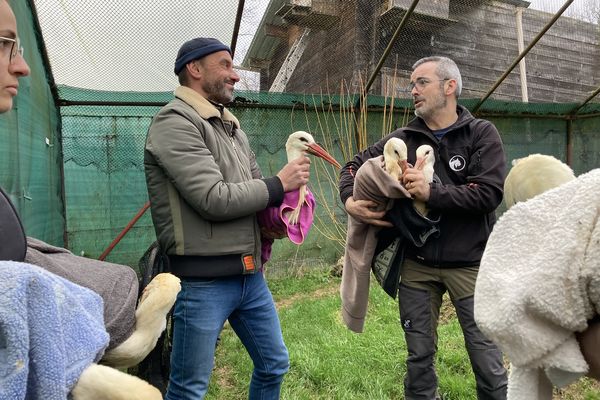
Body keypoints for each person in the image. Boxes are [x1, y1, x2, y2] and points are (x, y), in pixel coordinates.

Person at [144, 37, 310, 400]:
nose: (235, 75)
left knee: (274, 364)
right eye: (226, 65)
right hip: (203, 282)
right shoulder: (174, 122)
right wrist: (279, 184)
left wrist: (277, 217)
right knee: (189, 388)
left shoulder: (233, 130)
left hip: (250, 276)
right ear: (195, 68)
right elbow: (212, 199)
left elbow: (254, 193)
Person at [339, 56, 508, 399]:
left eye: (421, 83)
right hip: (416, 266)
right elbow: (353, 166)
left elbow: (489, 193)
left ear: (450, 87)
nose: (412, 91)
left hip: (470, 265)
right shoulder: (404, 137)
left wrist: (432, 192)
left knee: (486, 359)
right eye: (411, 84)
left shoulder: (481, 133)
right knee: (419, 359)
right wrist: (349, 200)